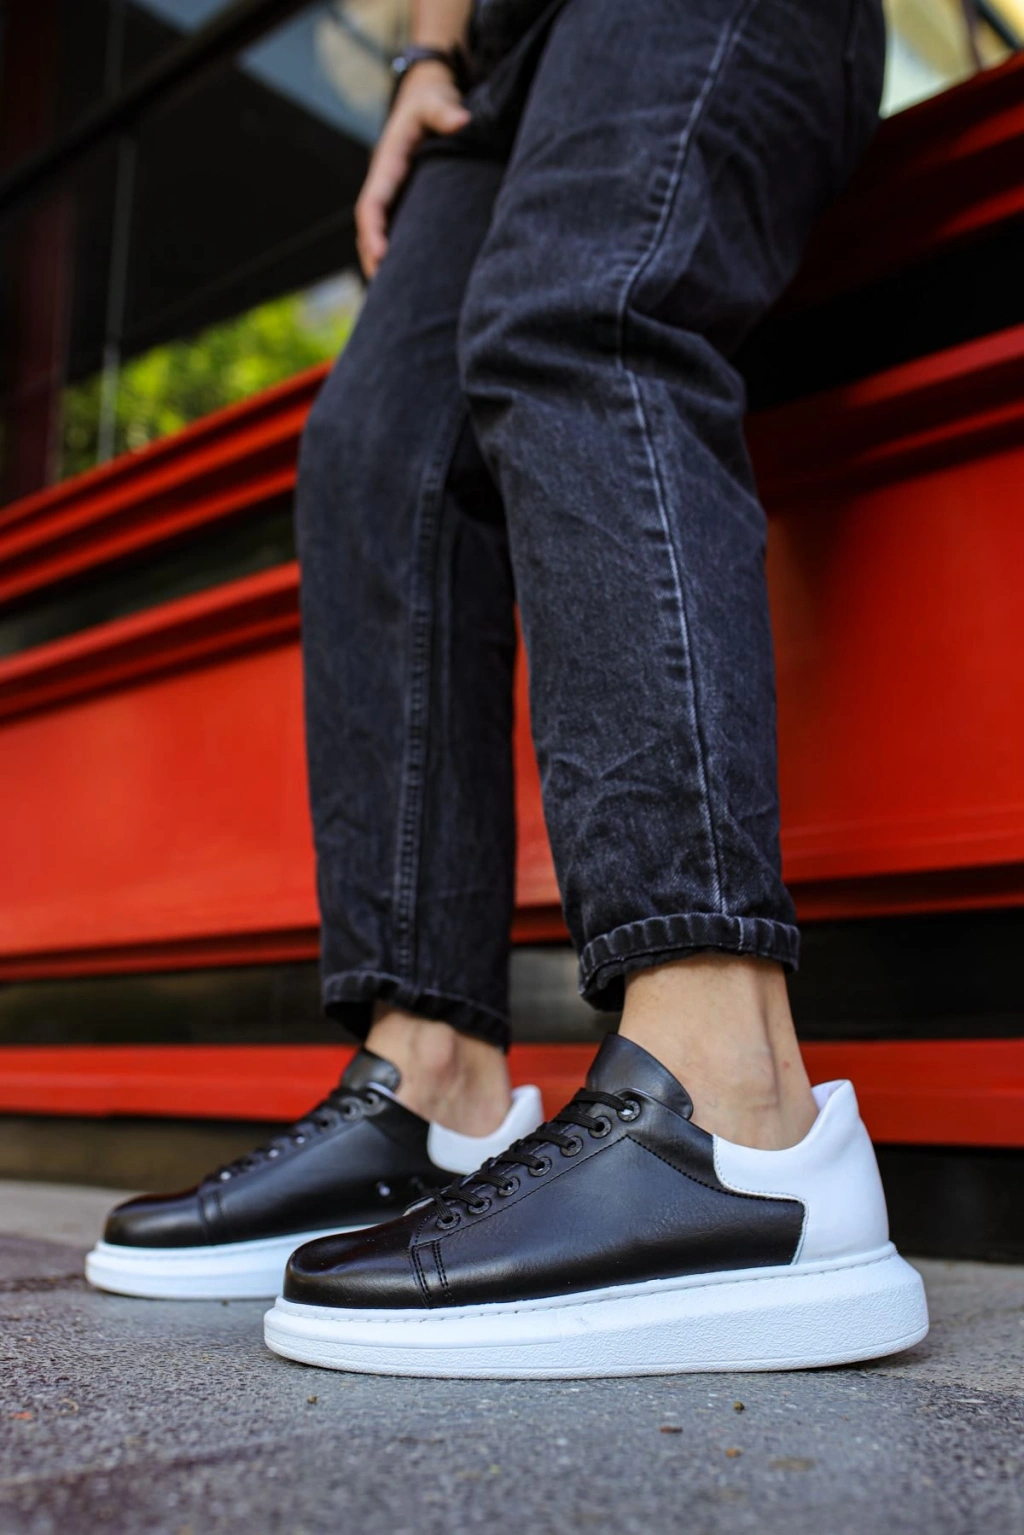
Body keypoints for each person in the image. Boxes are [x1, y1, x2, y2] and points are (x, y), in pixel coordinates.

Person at [91, 0, 929, 1376]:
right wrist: (430, 49)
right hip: (504, 48)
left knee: (578, 312)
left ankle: (733, 1103)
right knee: (376, 462)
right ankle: (433, 1084)